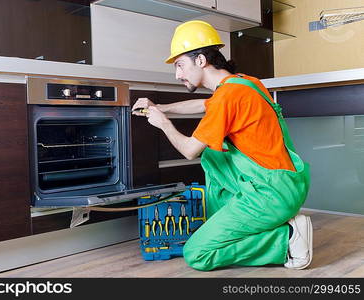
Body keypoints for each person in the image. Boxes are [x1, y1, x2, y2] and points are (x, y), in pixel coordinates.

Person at [132, 20, 312, 271]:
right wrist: (160, 107)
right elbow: (204, 104)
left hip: (267, 194)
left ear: (201, 60)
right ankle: (276, 225)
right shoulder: (244, 83)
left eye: (180, 65)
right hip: (283, 184)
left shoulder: (226, 97)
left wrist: (162, 123)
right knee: (218, 201)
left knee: (197, 254)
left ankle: (286, 239)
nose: (177, 74)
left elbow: (189, 150)